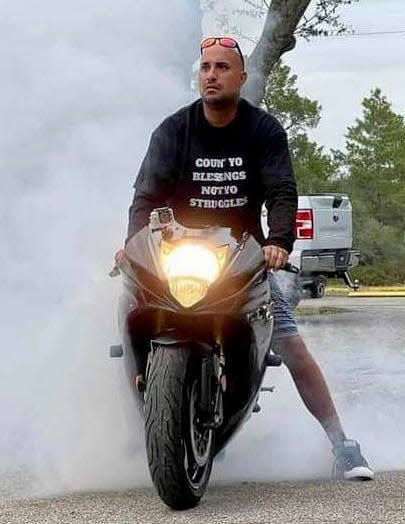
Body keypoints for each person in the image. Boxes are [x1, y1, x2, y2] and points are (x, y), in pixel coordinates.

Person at [117, 36, 374, 481]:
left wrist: (279, 242)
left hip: (244, 257)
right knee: (130, 311)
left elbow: (280, 191)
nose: (211, 75)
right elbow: (146, 194)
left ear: (240, 77)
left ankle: (342, 444)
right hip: (174, 254)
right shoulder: (174, 130)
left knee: (289, 343)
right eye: (205, 68)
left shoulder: (263, 130)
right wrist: (132, 242)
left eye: (221, 67)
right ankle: (144, 423)